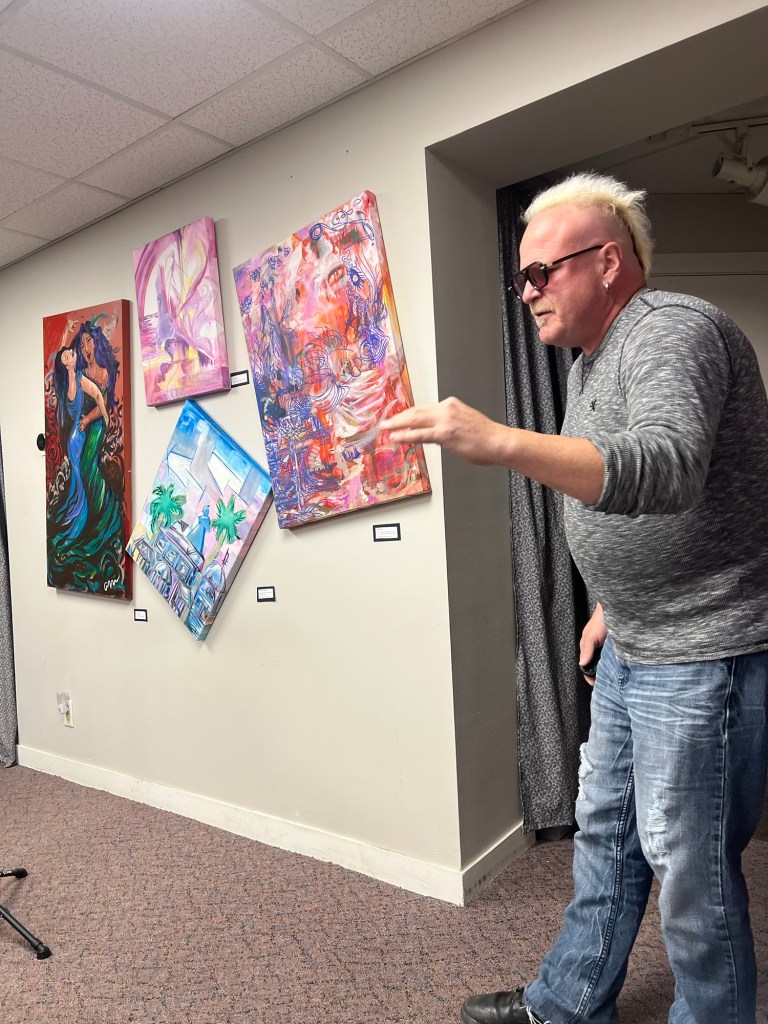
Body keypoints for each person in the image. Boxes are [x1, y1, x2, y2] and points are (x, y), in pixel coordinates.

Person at [381, 172, 768, 1024]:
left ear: (608, 262)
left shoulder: (672, 328)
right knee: (607, 838)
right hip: (634, 639)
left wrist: (499, 440)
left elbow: (667, 468)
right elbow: (629, 507)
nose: (526, 293)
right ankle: (567, 1004)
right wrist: (607, 609)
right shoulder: (592, 364)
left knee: (692, 877)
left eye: (539, 273)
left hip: (701, 652)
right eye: (519, 278)